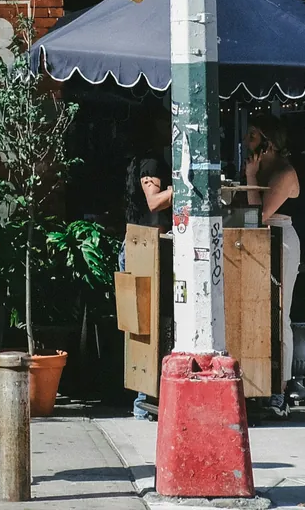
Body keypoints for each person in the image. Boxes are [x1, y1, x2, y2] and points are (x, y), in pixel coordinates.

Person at [245, 115, 301, 415]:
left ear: (269, 143)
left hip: (280, 239)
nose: (247, 140)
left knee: (279, 313)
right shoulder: (263, 170)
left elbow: (259, 215)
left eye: (253, 135)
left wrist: (251, 178)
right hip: (257, 242)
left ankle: (280, 385)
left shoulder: (283, 173)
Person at [123, 130, 172, 421]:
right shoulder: (152, 164)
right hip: (147, 251)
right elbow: (154, 202)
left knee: (143, 324)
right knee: (150, 324)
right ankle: (144, 401)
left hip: (141, 247)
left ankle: (145, 399)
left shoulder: (138, 162)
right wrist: (183, 188)